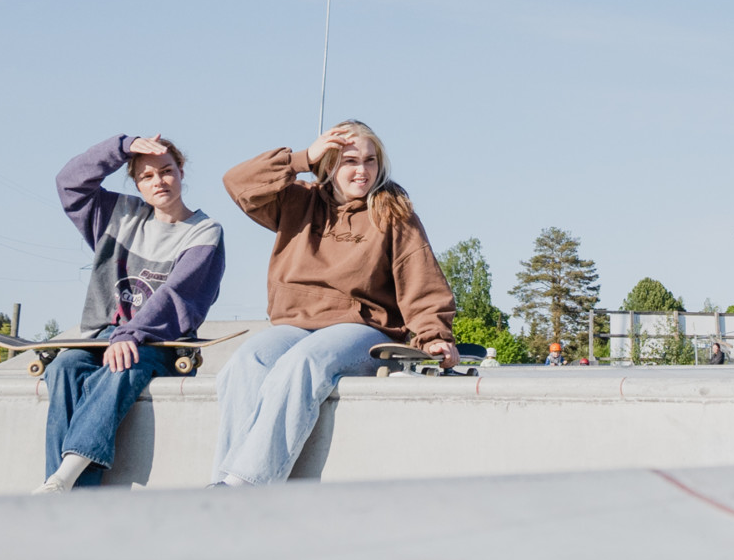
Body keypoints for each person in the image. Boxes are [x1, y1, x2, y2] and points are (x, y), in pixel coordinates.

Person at [212, 123, 455, 487]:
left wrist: (433, 335)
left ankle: (244, 487)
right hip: (295, 323)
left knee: (305, 362)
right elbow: (237, 182)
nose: (362, 170)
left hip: (360, 328)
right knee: (247, 361)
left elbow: (420, 280)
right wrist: (300, 159)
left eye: (370, 161)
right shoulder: (296, 201)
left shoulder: (392, 213)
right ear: (327, 165)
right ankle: (222, 482)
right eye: (349, 160)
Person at [38, 134, 227, 492]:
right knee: (63, 367)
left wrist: (132, 334)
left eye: (167, 171)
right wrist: (121, 146)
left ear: (181, 172)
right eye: (147, 176)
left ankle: (62, 480)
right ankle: (69, 490)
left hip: (160, 342)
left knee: (121, 364)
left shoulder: (205, 231)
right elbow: (69, 182)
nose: (159, 182)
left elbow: (178, 294)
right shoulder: (117, 215)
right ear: (136, 183)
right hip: (101, 337)